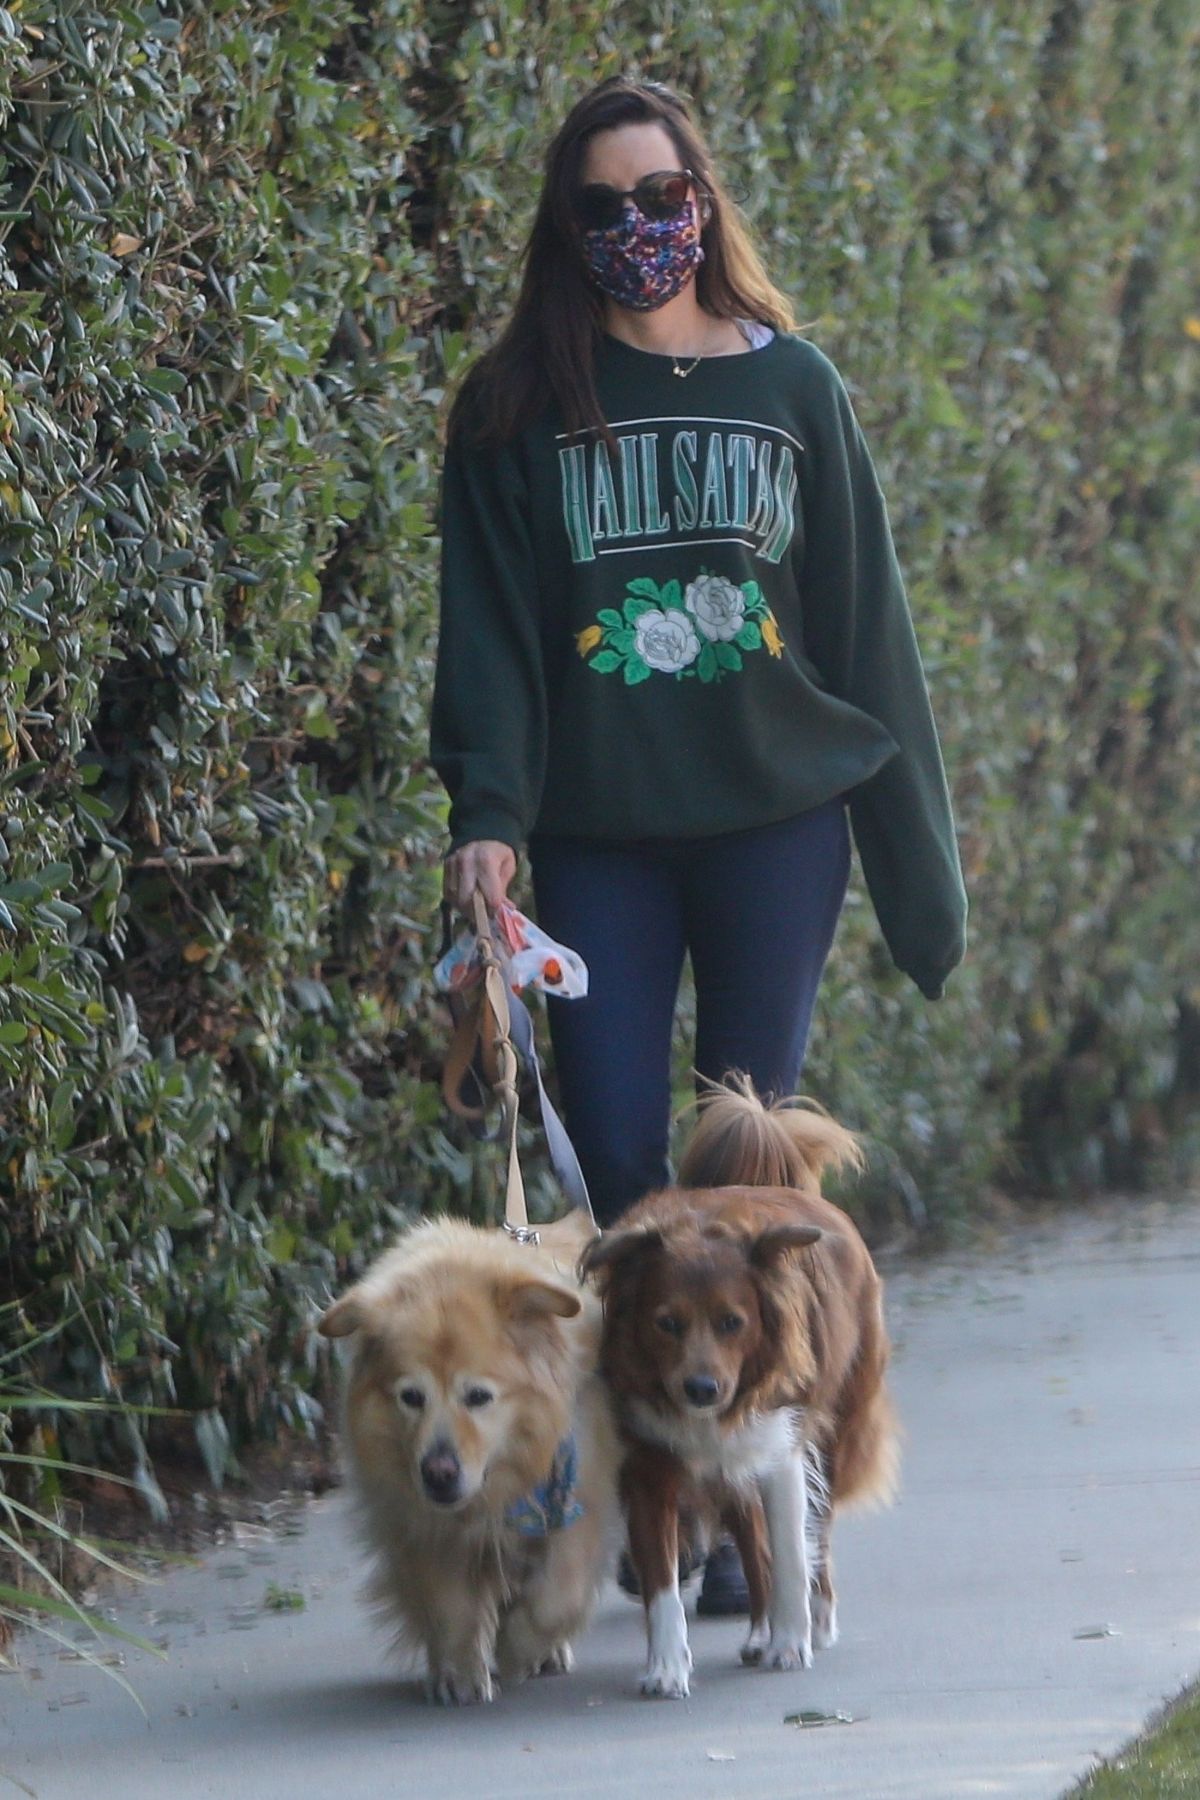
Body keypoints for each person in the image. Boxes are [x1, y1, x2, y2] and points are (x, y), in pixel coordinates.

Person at [430, 75, 967, 1612]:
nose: (635, 231)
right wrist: (487, 821)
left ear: (705, 200)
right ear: (563, 225)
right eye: (599, 207)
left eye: (660, 198)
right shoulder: (513, 408)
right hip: (596, 840)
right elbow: (493, 647)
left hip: (774, 828)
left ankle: (757, 1520)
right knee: (617, 1161)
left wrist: (922, 883)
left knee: (745, 1173)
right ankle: (676, 1485)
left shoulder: (792, 387)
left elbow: (868, 632)